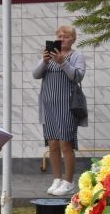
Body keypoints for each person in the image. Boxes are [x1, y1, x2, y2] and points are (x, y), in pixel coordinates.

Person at [32, 24, 86, 196]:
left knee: (66, 144)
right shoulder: (49, 56)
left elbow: (77, 76)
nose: (62, 39)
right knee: (53, 144)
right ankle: (57, 179)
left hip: (67, 106)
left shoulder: (77, 56)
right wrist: (45, 60)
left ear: (73, 39)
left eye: (66, 36)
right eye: (60, 36)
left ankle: (69, 182)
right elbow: (36, 74)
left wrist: (62, 62)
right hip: (48, 106)